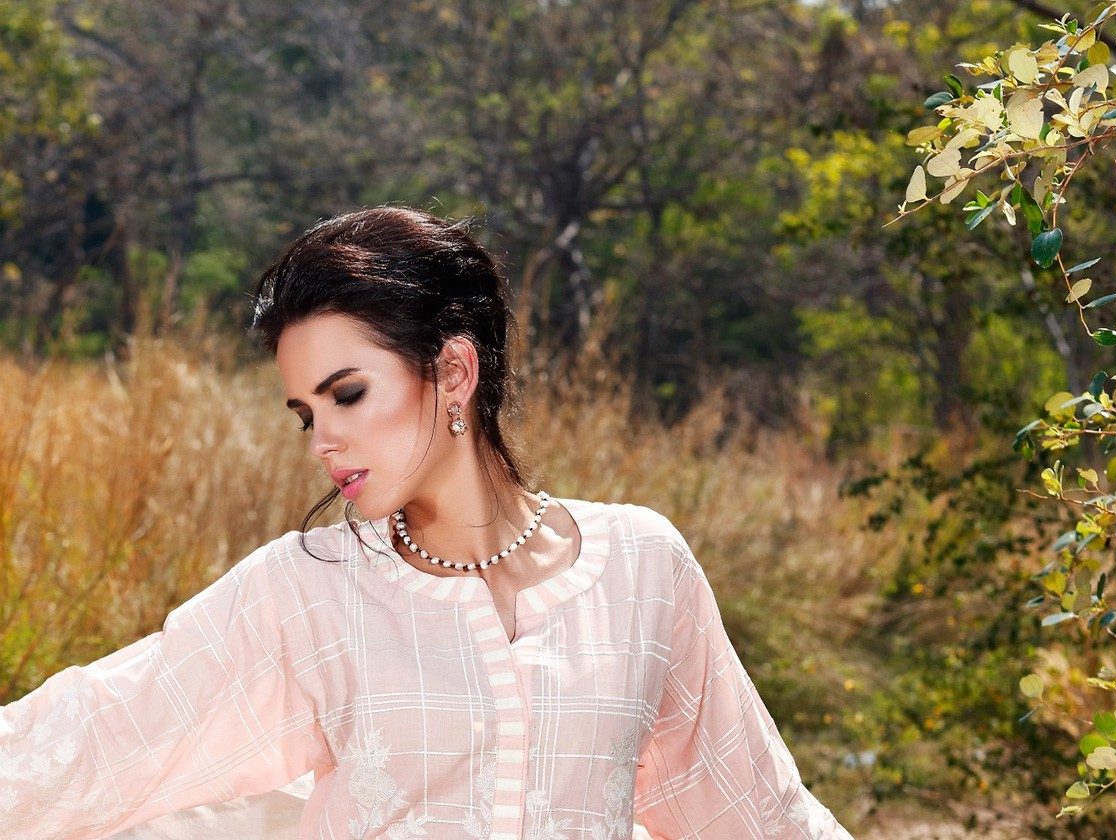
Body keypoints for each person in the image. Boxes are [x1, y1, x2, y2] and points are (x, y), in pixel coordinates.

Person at [0, 205, 853, 839]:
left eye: (347, 394)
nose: (322, 441)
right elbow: (95, 734)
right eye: (306, 414)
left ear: (453, 372)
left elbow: (756, 807)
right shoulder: (307, 591)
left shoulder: (641, 568)